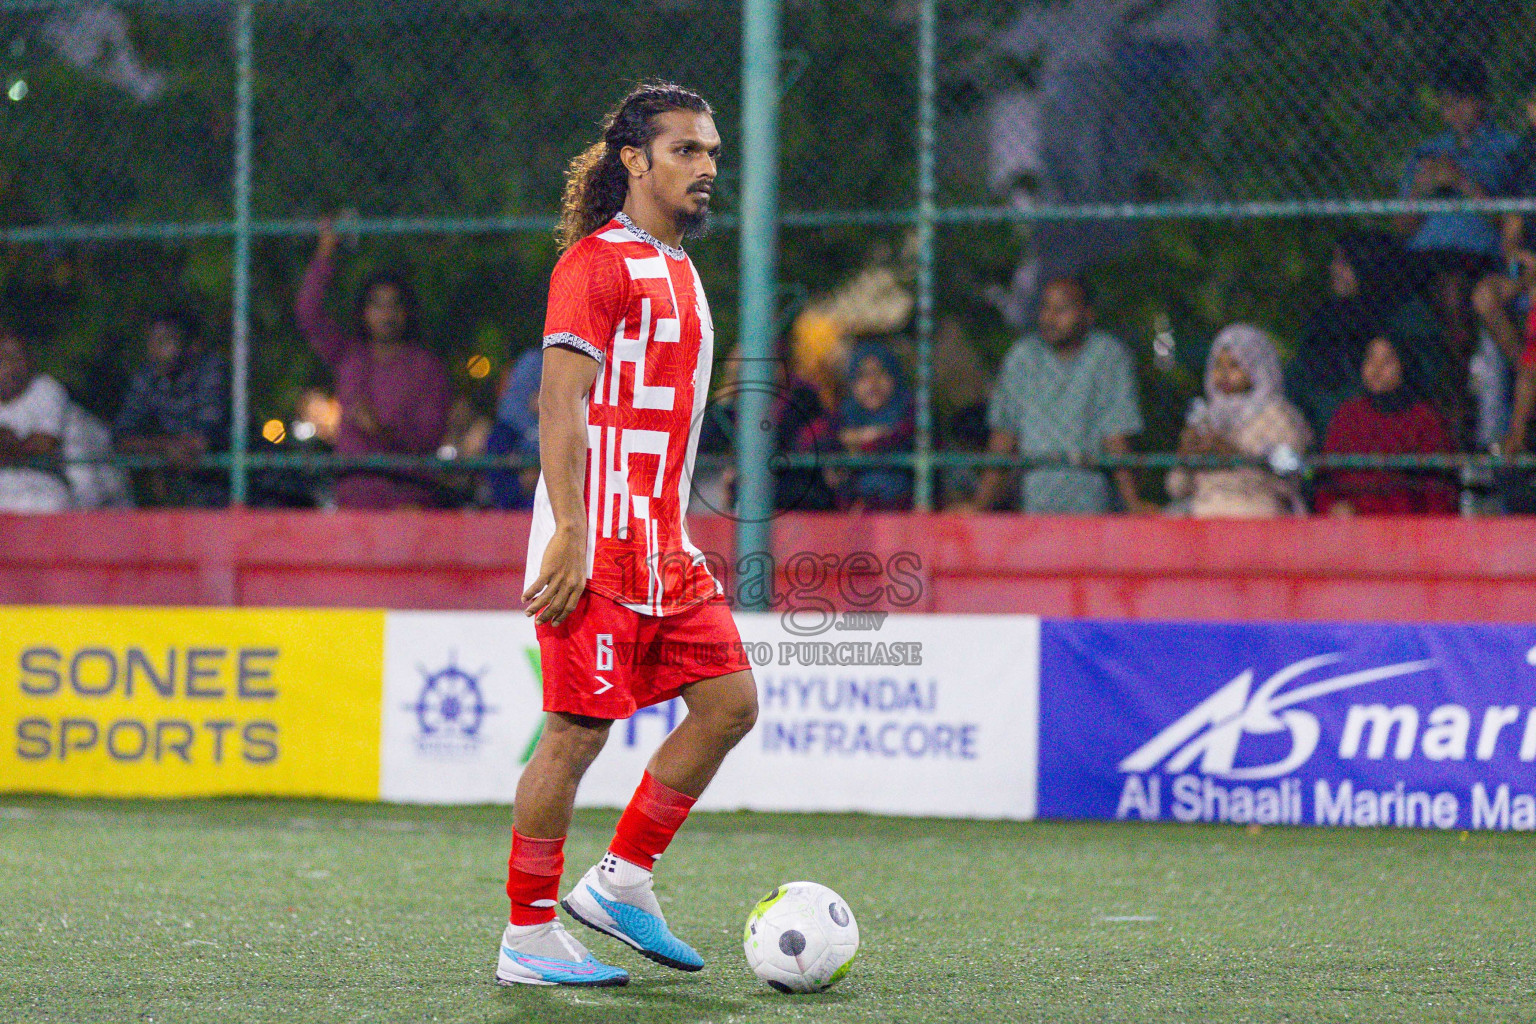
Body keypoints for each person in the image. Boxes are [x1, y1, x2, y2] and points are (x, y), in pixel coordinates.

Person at [499, 82, 757, 988]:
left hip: (662, 542)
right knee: (573, 734)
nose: (707, 167)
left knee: (730, 704)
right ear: (634, 161)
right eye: (687, 150)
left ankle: (621, 880)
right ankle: (527, 937)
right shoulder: (596, 264)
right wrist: (569, 529)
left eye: (714, 152)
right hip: (594, 538)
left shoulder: (681, 267)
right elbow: (558, 399)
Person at [1395, 56, 1519, 441]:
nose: (1453, 112)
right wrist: (1420, 189)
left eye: (1462, 101)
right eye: (1446, 103)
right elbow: (1401, 227)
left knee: (1453, 288)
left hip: (1479, 258)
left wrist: (1464, 184)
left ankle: (1458, 403)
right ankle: (1450, 399)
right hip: (1424, 258)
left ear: (1482, 101)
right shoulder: (1426, 153)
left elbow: (1515, 223)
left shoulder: (1509, 150)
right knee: (1436, 287)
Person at [954, 275, 1151, 515]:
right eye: (1045, 307)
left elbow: (1116, 437)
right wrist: (980, 505)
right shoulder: (1023, 357)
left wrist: (1133, 504)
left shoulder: (1107, 356)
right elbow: (1004, 437)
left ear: (1087, 315)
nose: (1050, 317)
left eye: (1062, 309)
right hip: (1034, 506)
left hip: (1091, 507)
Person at [296, 223, 453, 509]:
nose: (386, 314)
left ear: (407, 312)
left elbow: (429, 436)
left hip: (408, 495)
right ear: (364, 312)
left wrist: (381, 431)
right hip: (354, 492)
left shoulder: (426, 368)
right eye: (377, 305)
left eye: (394, 306)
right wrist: (325, 251)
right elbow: (308, 311)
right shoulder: (350, 356)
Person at [1286, 232, 1443, 440]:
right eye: (1335, 261)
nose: (1334, 269)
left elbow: (1420, 375)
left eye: (1344, 262)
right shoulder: (1328, 316)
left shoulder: (1406, 315)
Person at [1165, 324, 1312, 518]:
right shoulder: (1205, 416)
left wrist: (1230, 452)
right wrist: (1185, 454)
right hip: (1203, 512)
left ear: (1257, 367)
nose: (1224, 374)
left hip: (1257, 510)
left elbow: (1289, 479)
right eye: (1218, 365)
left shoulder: (1279, 415)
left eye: (1234, 365)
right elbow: (1176, 489)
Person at [1314, 336, 1458, 516]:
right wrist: (1333, 507)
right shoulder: (1347, 415)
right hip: (1352, 524)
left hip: (1407, 526)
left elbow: (1438, 491)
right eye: (1370, 359)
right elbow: (1327, 479)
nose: (1377, 368)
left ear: (1404, 367)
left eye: (1387, 360)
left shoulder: (1424, 419)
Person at [113, 308, 229, 507]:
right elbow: (121, 439)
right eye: (152, 342)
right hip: (185, 484)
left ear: (191, 345)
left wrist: (167, 447)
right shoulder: (147, 378)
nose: (155, 350)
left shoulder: (211, 370)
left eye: (166, 341)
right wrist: (166, 447)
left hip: (229, 481)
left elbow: (202, 440)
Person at [834, 339, 913, 510]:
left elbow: (898, 439)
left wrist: (858, 440)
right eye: (862, 376)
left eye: (880, 373)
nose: (872, 383)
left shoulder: (908, 411)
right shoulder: (846, 414)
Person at [0, 323, 71, 513]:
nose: (10, 365)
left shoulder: (46, 389)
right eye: (3, 358)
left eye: (16, 357)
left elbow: (44, 444)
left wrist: (7, 444)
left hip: (42, 492)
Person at [485, 348, 542, 510]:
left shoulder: (567, 428)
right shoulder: (506, 430)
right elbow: (499, 489)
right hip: (515, 515)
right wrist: (521, 483)